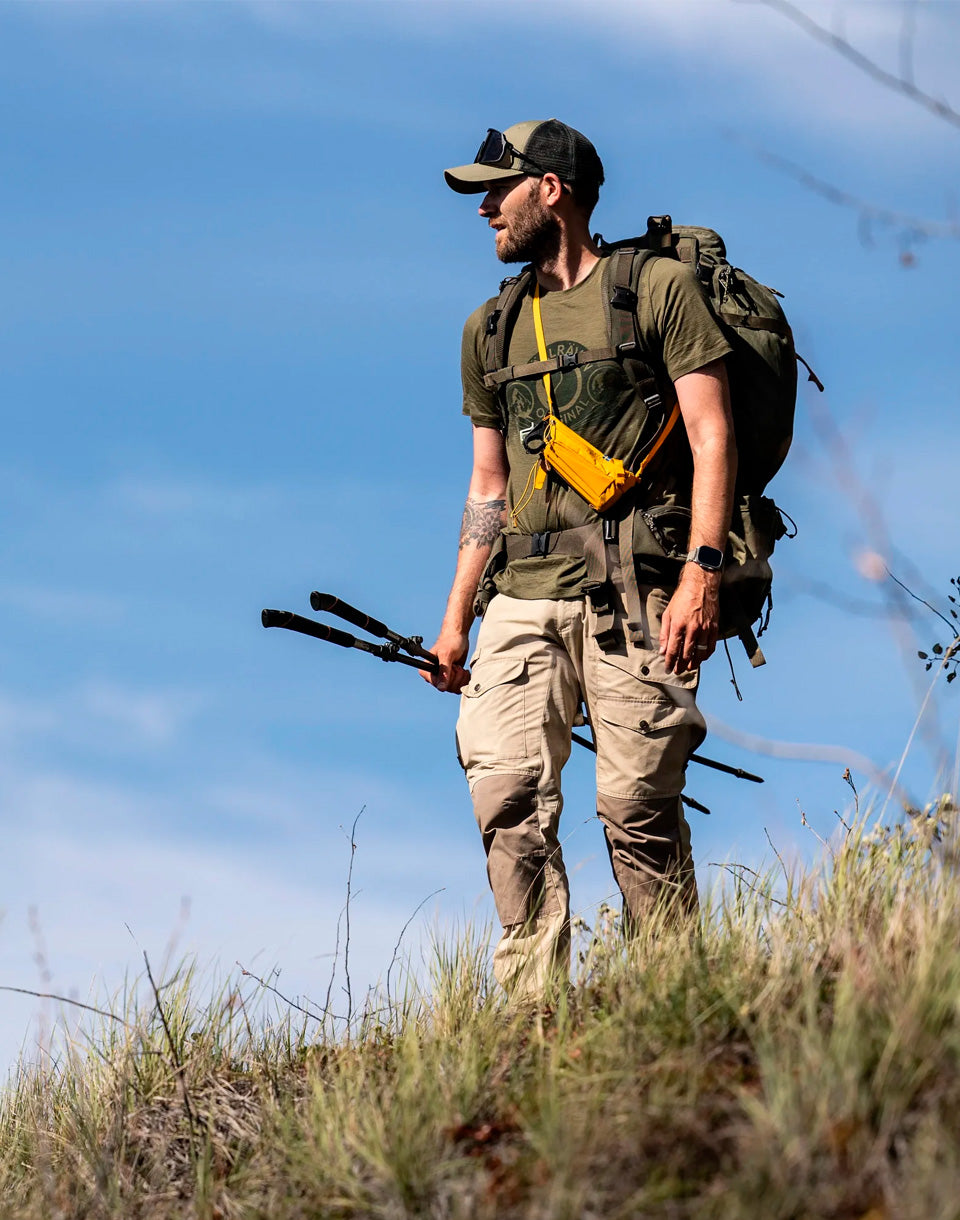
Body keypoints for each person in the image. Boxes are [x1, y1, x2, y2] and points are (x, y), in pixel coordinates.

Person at [424, 119, 736, 998]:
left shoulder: (658, 292)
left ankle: (678, 999)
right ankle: (528, 1016)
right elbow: (488, 485)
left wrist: (700, 574)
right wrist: (455, 619)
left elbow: (713, 437)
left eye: (499, 187)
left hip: (637, 593)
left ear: (551, 190)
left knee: (636, 809)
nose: (485, 206)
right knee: (505, 797)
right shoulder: (489, 330)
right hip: (519, 599)